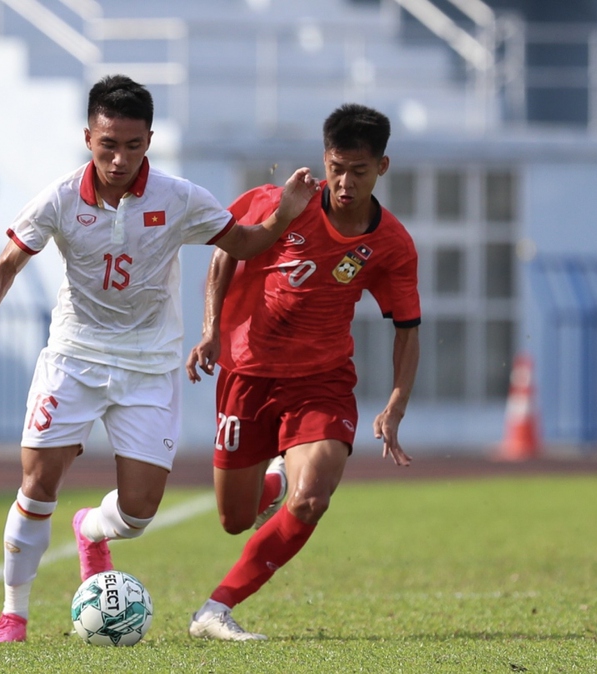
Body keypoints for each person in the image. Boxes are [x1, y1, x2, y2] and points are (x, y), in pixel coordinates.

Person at [0, 74, 319, 644]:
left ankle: (91, 531)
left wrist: (285, 214)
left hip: (148, 364)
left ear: (148, 139)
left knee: (140, 513)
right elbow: (5, 265)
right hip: (74, 356)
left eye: (133, 145)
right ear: (88, 137)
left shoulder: (179, 196)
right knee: (38, 479)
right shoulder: (60, 197)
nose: (120, 159)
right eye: (108, 145)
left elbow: (241, 245)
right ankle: (12, 615)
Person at [185, 103, 421, 641]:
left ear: (382, 168)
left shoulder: (391, 244)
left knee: (312, 497)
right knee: (234, 519)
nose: (344, 182)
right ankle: (272, 478)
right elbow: (225, 254)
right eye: (336, 167)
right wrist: (211, 329)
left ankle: (215, 609)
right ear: (324, 159)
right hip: (248, 374)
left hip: (322, 380)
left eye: (358, 171)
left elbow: (408, 326)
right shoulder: (281, 202)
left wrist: (396, 403)